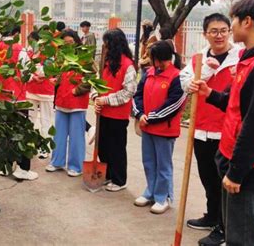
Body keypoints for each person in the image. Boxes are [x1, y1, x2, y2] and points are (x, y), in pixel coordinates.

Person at [189, 0, 254, 245]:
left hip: (251, 169)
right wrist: (210, 94)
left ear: (247, 22)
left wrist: (236, 173)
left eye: (232, 20)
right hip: (251, 163)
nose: (229, 27)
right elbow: (239, 106)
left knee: (244, 237)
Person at [180, 13, 240, 245]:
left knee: (224, 182)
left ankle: (224, 228)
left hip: (227, 131)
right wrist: (204, 71)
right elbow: (184, 83)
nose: (219, 35)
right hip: (201, 129)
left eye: (223, 30)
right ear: (205, 34)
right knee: (207, 178)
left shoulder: (240, 57)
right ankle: (212, 215)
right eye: (213, 31)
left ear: (229, 32)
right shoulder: (198, 59)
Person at [133, 40, 186, 214]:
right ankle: (150, 192)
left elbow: (174, 104)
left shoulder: (178, 77)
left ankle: (163, 197)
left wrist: (152, 117)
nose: (150, 62)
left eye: (153, 58)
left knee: (163, 165)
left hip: (164, 129)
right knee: (149, 162)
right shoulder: (149, 73)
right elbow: (137, 95)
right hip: (147, 126)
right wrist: (140, 114)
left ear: (161, 58)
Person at [0, 26, 38, 181]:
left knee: (3, 133)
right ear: (16, 33)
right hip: (17, 98)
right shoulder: (19, 49)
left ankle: (5, 165)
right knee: (21, 134)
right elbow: (27, 73)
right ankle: (23, 169)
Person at [92, 28, 137, 191]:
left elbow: (128, 92)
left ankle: (119, 179)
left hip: (118, 115)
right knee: (103, 146)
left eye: (107, 43)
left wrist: (106, 100)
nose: (105, 47)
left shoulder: (128, 65)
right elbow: (96, 84)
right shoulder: (105, 62)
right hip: (103, 112)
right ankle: (108, 174)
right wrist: (96, 97)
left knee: (116, 148)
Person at [45, 29, 90, 177]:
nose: (68, 45)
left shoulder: (84, 56)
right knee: (59, 134)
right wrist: (55, 80)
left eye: (70, 42)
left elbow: (91, 77)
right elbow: (58, 74)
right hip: (61, 100)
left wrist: (77, 91)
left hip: (77, 102)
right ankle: (57, 161)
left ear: (76, 41)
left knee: (77, 136)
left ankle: (76, 166)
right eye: (65, 43)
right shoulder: (61, 56)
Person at [26, 30, 55, 159]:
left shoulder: (50, 53)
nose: (31, 44)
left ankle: (45, 148)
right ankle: (29, 144)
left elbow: (48, 70)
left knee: (46, 120)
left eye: (32, 41)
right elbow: (25, 68)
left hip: (46, 92)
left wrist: (35, 71)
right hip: (31, 91)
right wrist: (33, 75)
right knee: (30, 119)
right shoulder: (30, 52)